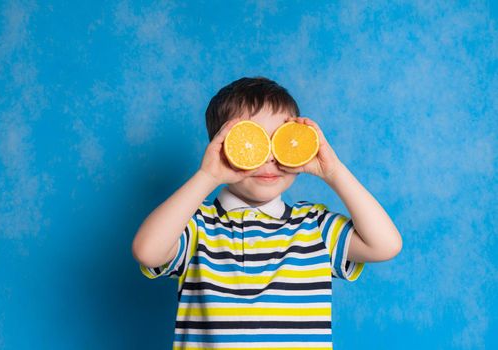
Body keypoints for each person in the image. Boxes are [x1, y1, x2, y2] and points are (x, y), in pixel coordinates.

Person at [132, 76, 403, 349]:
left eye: (280, 141)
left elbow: (385, 245)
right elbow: (148, 251)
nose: (270, 157)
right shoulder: (196, 226)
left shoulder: (316, 228)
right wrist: (207, 175)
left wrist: (333, 172)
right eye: (253, 142)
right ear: (221, 147)